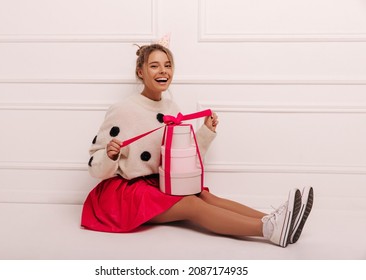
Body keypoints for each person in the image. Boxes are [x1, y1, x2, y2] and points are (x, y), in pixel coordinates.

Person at [81, 42, 314, 248]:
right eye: (154, 66)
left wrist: (206, 132)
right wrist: (110, 156)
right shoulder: (124, 109)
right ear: (140, 72)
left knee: (203, 195)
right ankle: (269, 230)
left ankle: (277, 219)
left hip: (157, 183)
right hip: (124, 194)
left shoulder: (171, 109)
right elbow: (95, 166)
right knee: (192, 204)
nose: (163, 70)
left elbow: (182, 158)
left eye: (168, 65)